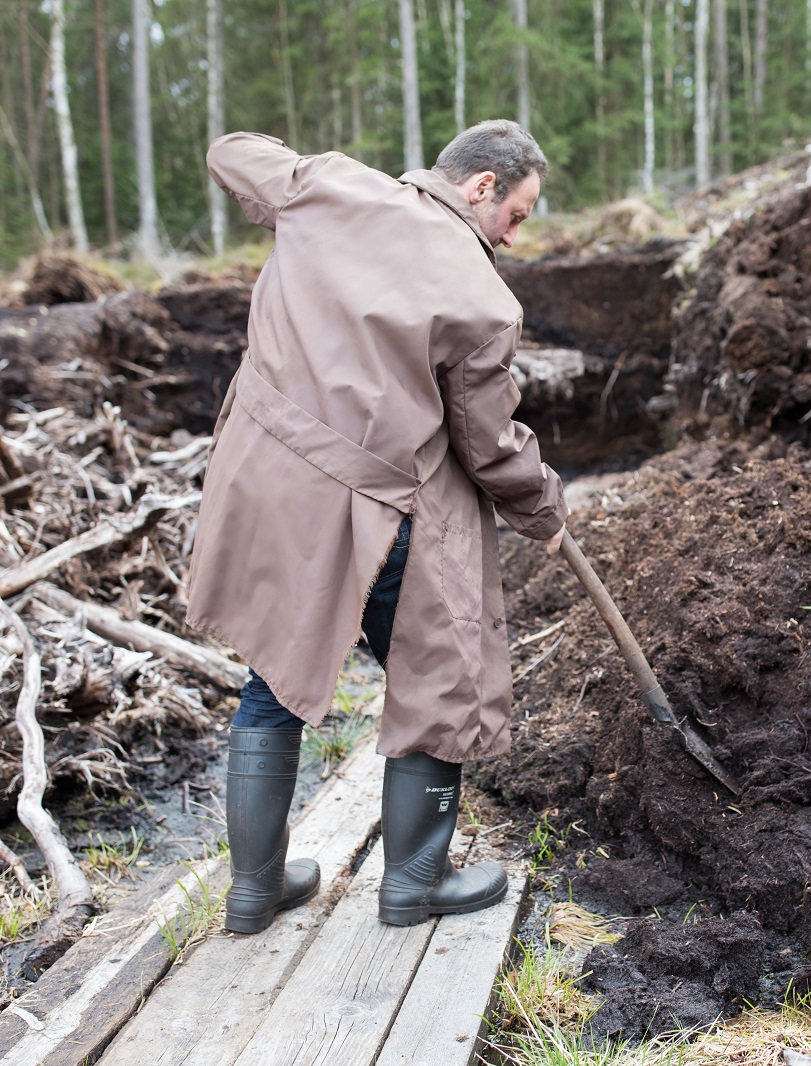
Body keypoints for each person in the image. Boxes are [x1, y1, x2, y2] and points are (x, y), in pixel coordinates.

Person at [186, 120, 567, 934]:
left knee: (273, 676)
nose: (515, 234)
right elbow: (489, 445)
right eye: (519, 214)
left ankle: (254, 890)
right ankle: (414, 886)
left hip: (266, 487)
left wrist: (309, 180)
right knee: (439, 679)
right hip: (375, 509)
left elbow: (231, 151)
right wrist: (543, 505)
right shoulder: (482, 297)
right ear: (481, 187)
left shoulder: (332, 187)